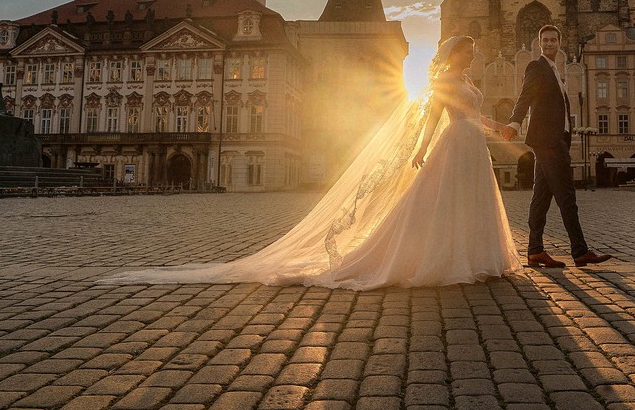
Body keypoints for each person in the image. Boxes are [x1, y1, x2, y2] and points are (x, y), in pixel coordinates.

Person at [101, 35, 521, 290]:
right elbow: (432, 117)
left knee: (472, 202)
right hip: (452, 144)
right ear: (454, 56)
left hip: (471, 145)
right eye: (468, 52)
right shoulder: (445, 81)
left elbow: (473, 116)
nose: (472, 56)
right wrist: (420, 149)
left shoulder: (467, 81)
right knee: (443, 203)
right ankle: (446, 258)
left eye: (472, 52)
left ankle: (477, 256)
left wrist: (499, 127)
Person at [502, 25, 611, 268]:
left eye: (553, 40)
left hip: (553, 139)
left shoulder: (556, 71)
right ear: (539, 43)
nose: (549, 43)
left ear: (560, 43)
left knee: (541, 198)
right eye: (545, 40)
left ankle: (535, 250)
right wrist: (514, 122)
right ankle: (580, 251)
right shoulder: (537, 67)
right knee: (566, 195)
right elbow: (525, 97)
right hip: (548, 140)